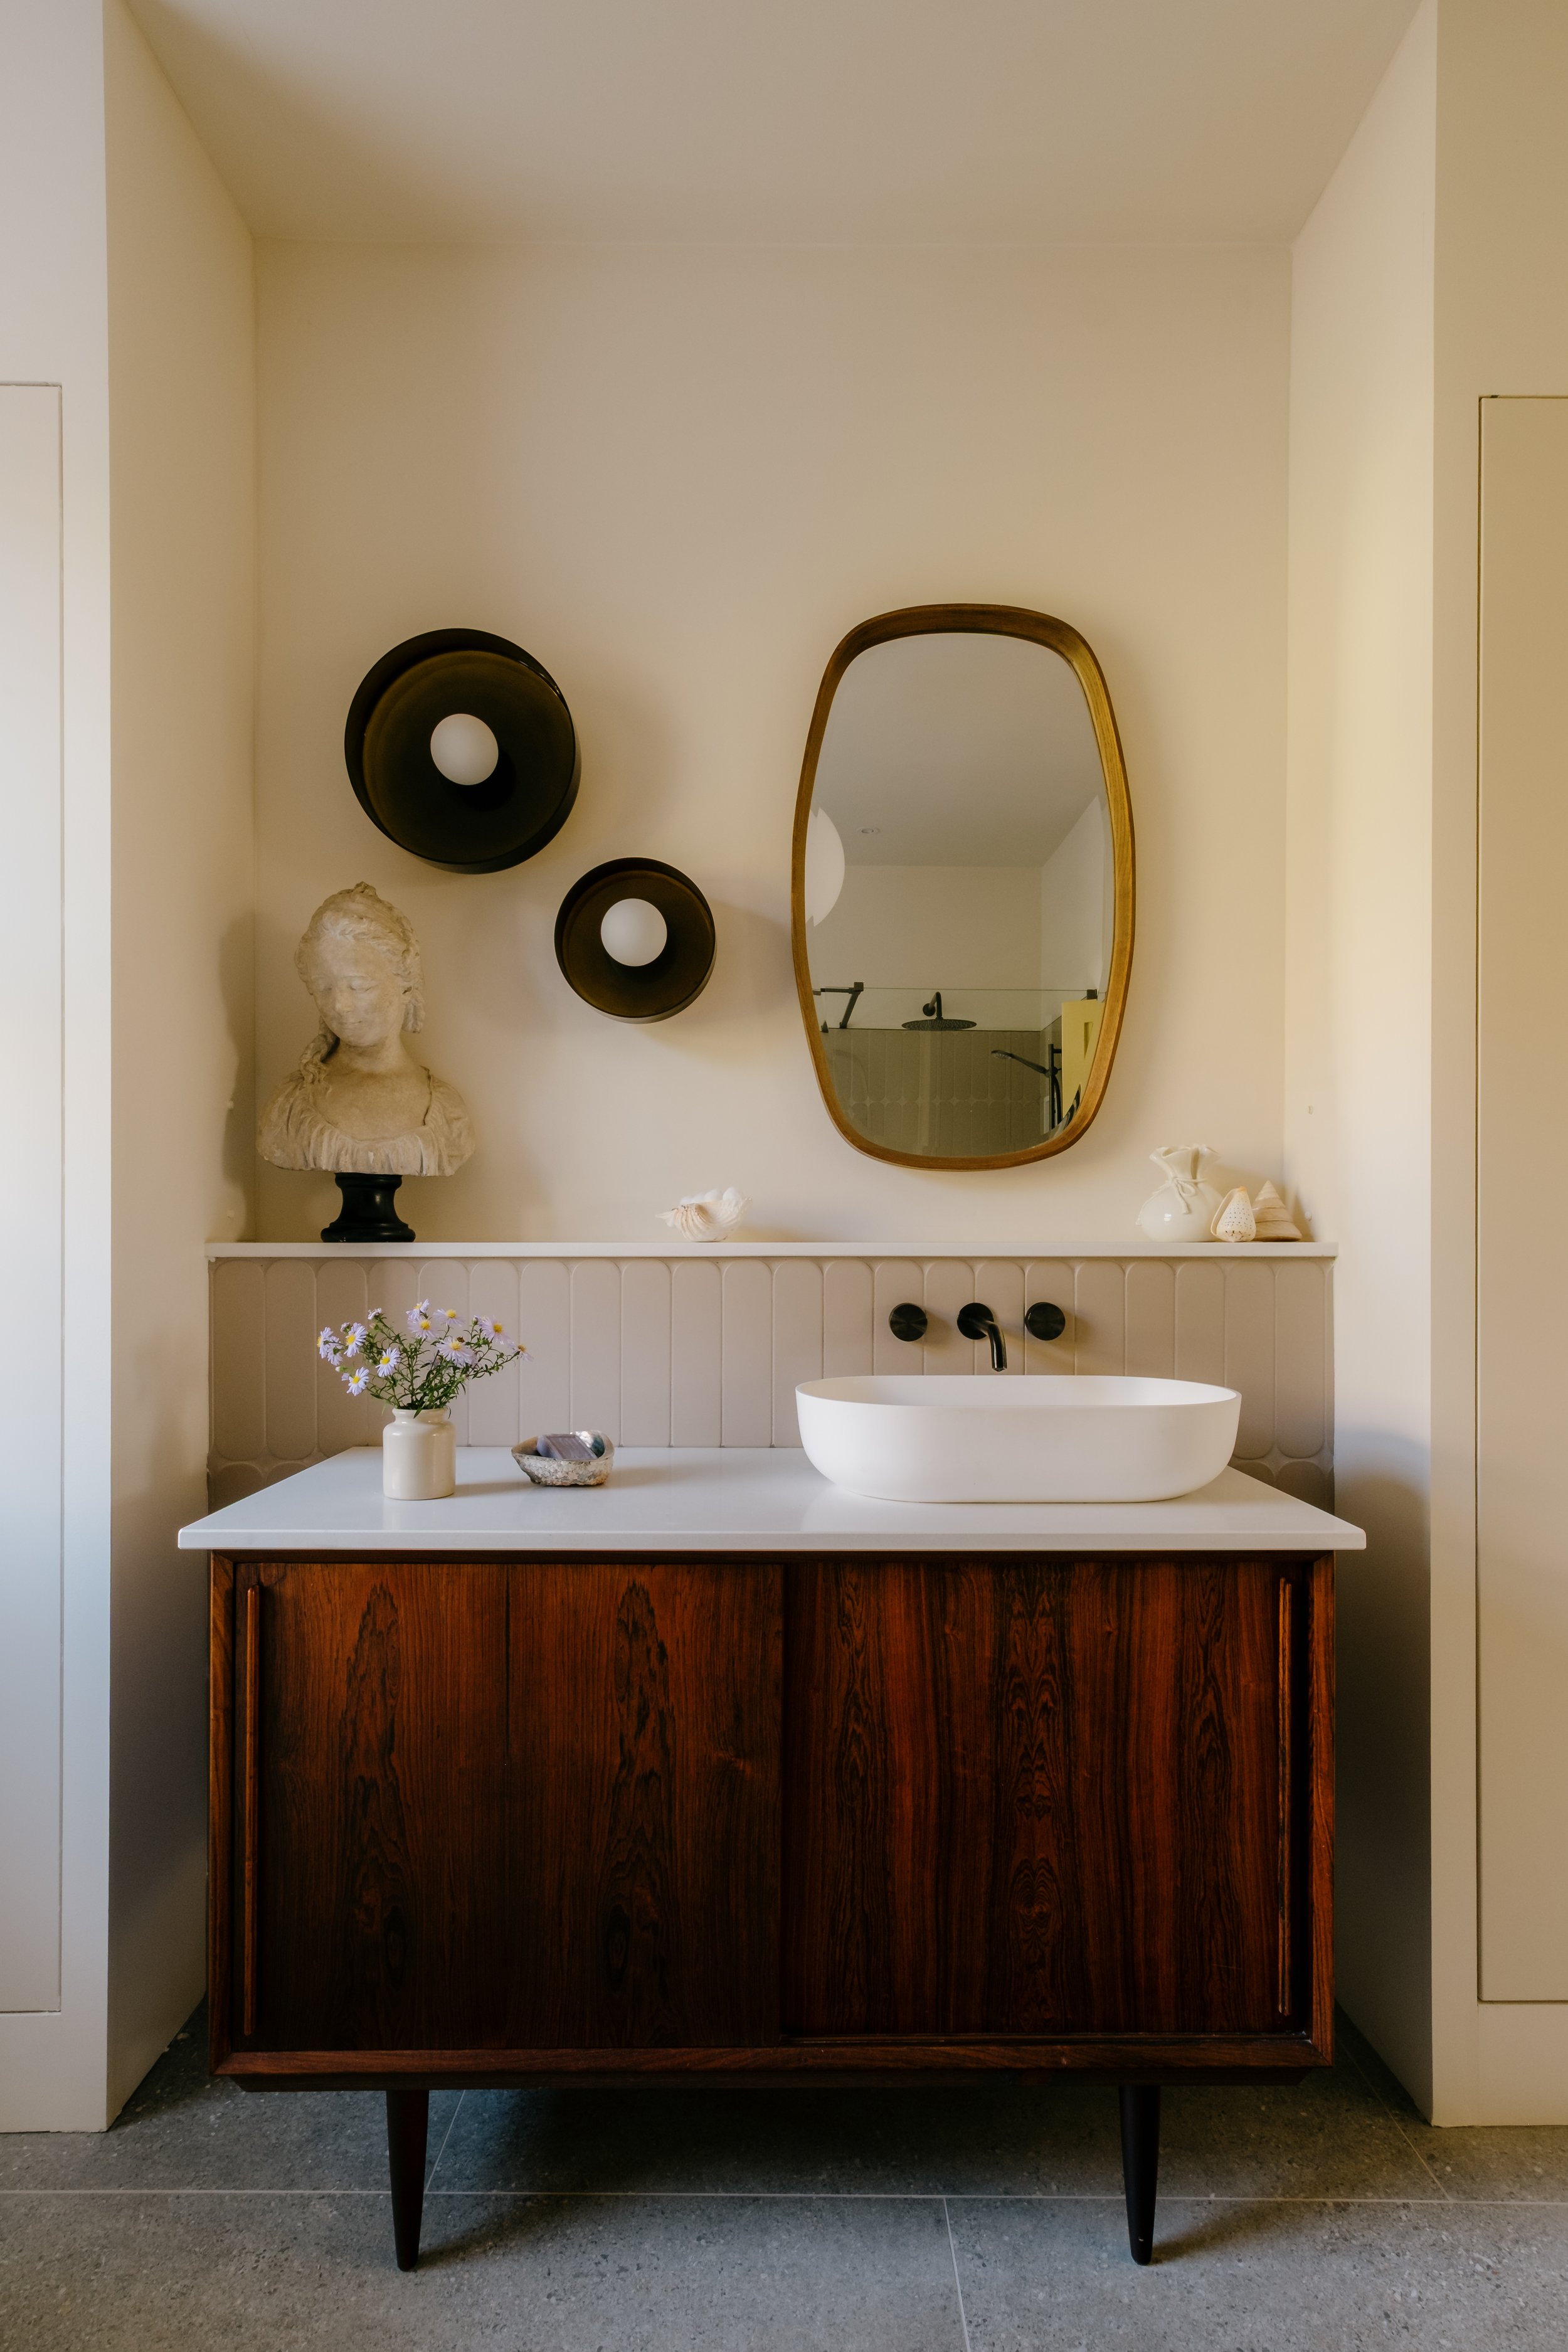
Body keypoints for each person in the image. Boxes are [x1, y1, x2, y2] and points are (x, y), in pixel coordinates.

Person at [257, 882, 474, 1177]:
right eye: (323, 988)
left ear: (405, 984)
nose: (340, 1006)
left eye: (359, 986)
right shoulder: (290, 1105)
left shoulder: (447, 1112)